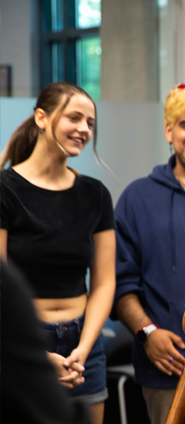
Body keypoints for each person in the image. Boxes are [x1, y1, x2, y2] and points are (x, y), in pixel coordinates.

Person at [0, 82, 116, 424]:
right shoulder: (6, 190)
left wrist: (83, 348)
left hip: (85, 342)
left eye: (90, 123)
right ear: (41, 117)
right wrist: (40, 352)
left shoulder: (95, 194)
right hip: (22, 339)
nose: (84, 129)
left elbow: (105, 282)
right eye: (74, 118)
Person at [113, 83, 185, 424]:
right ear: (168, 131)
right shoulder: (137, 199)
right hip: (168, 368)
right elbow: (119, 284)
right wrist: (147, 333)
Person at [1, 259, 90, 424]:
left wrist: (84, 347)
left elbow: (105, 280)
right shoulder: (8, 285)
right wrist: (45, 357)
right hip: (33, 333)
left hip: (83, 337)